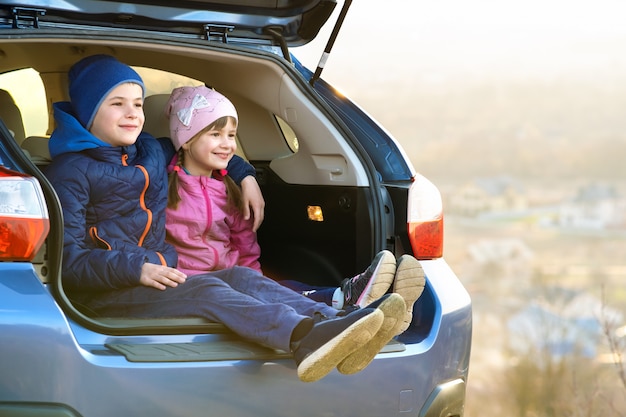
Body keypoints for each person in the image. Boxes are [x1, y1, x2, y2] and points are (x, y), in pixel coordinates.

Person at [44, 54, 405, 383]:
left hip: (156, 279)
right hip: (107, 293)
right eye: (117, 104)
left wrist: (245, 175)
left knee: (242, 275)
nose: (133, 114)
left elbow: (199, 141)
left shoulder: (151, 149)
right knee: (209, 287)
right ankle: (302, 338)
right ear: (89, 112)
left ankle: (336, 324)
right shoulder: (70, 173)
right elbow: (68, 262)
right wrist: (134, 268)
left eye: (138, 104)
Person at [164, 86, 426, 334]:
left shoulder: (231, 189)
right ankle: (347, 310)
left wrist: (257, 283)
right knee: (266, 293)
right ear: (186, 140)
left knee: (279, 290)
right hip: (193, 286)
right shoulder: (161, 187)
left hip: (236, 277)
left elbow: (244, 244)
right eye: (215, 134)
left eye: (231, 135)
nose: (228, 144)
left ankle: (365, 303)